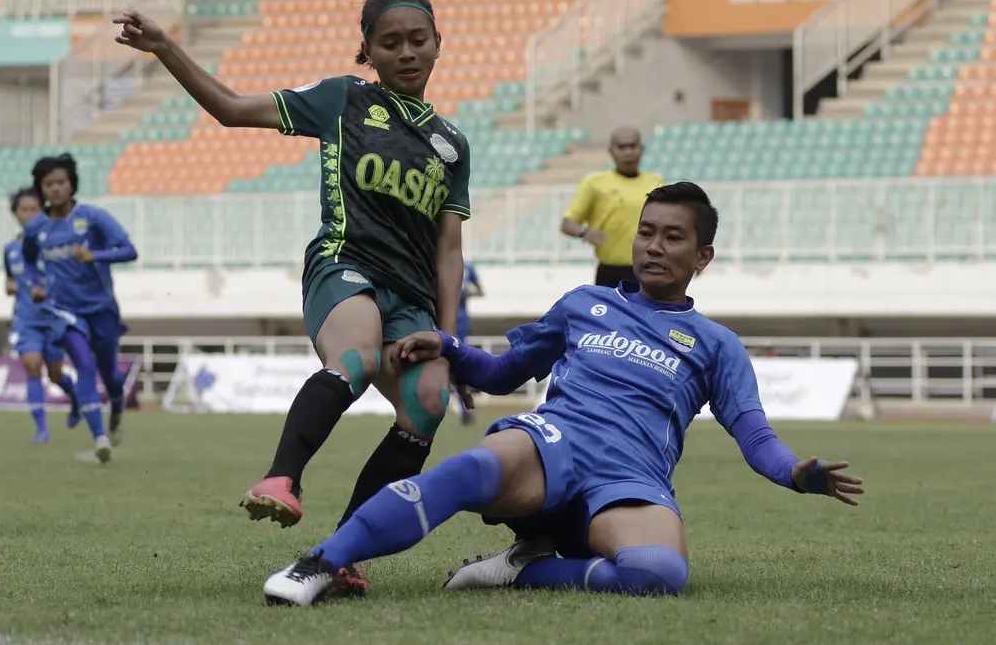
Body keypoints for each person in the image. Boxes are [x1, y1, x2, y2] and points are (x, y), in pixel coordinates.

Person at [262, 181, 864, 606]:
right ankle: (320, 563)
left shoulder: (717, 344)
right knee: (468, 469)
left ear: (702, 255)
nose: (654, 246)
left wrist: (795, 473)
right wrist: (447, 345)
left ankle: (524, 572)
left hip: (632, 478)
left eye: (673, 238)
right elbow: (504, 373)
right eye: (646, 232)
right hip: (555, 443)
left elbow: (754, 434)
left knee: (657, 575)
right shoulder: (585, 304)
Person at [115, 0, 471, 594]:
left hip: (410, 298)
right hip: (345, 265)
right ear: (368, 51)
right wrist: (165, 48)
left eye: (418, 40)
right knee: (355, 356)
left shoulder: (453, 145)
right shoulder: (343, 99)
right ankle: (283, 479)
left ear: (439, 43)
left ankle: (342, 554)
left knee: (429, 401)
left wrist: (446, 335)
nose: (407, 52)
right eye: (390, 43)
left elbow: (449, 250)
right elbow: (230, 108)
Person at [20, 154, 137, 463]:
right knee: (84, 365)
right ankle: (100, 437)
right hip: (64, 310)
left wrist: (95, 255)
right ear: (41, 188)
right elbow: (29, 263)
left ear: (71, 184)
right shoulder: (36, 228)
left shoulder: (93, 217)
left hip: (101, 309)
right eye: (48, 184)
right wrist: (35, 285)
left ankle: (116, 407)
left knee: (110, 374)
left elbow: (129, 251)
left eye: (61, 182)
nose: (55, 189)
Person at [3, 187, 80, 443]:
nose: (29, 214)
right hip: (26, 320)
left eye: (34, 209)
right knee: (32, 365)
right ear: (15, 215)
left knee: (55, 374)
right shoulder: (10, 249)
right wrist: (12, 286)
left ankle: (76, 398)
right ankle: (41, 430)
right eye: (23, 210)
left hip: (53, 317)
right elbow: (9, 282)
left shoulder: (54, 246)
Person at [559, 125, 663, 287]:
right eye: (622, 147)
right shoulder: (594, 183)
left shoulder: (656, 182)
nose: (628, 152)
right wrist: (584, 232)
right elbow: (567, 223)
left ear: (641, 149)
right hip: (610, 274)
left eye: (632, 146)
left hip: (649, 270)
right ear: (611, 151)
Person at [454, 262, 483, 425]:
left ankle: (464, 409)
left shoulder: (469, 267)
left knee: (457, 364)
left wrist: (469, 292)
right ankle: (464, 408)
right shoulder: (438, 262)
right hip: (444, 316)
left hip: (462, 321)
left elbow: (480, 291)